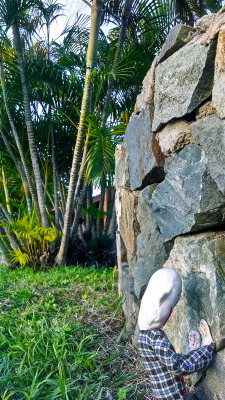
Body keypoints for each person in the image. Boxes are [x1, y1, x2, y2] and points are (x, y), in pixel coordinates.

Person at [138, 268, 216, 400]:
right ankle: (198, 353)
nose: (171, 311)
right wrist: (206, 351)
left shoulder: (143, 336)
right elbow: (178, 367)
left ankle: (193, 353)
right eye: (171, 307)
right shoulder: (156, 338)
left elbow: (164, 360)